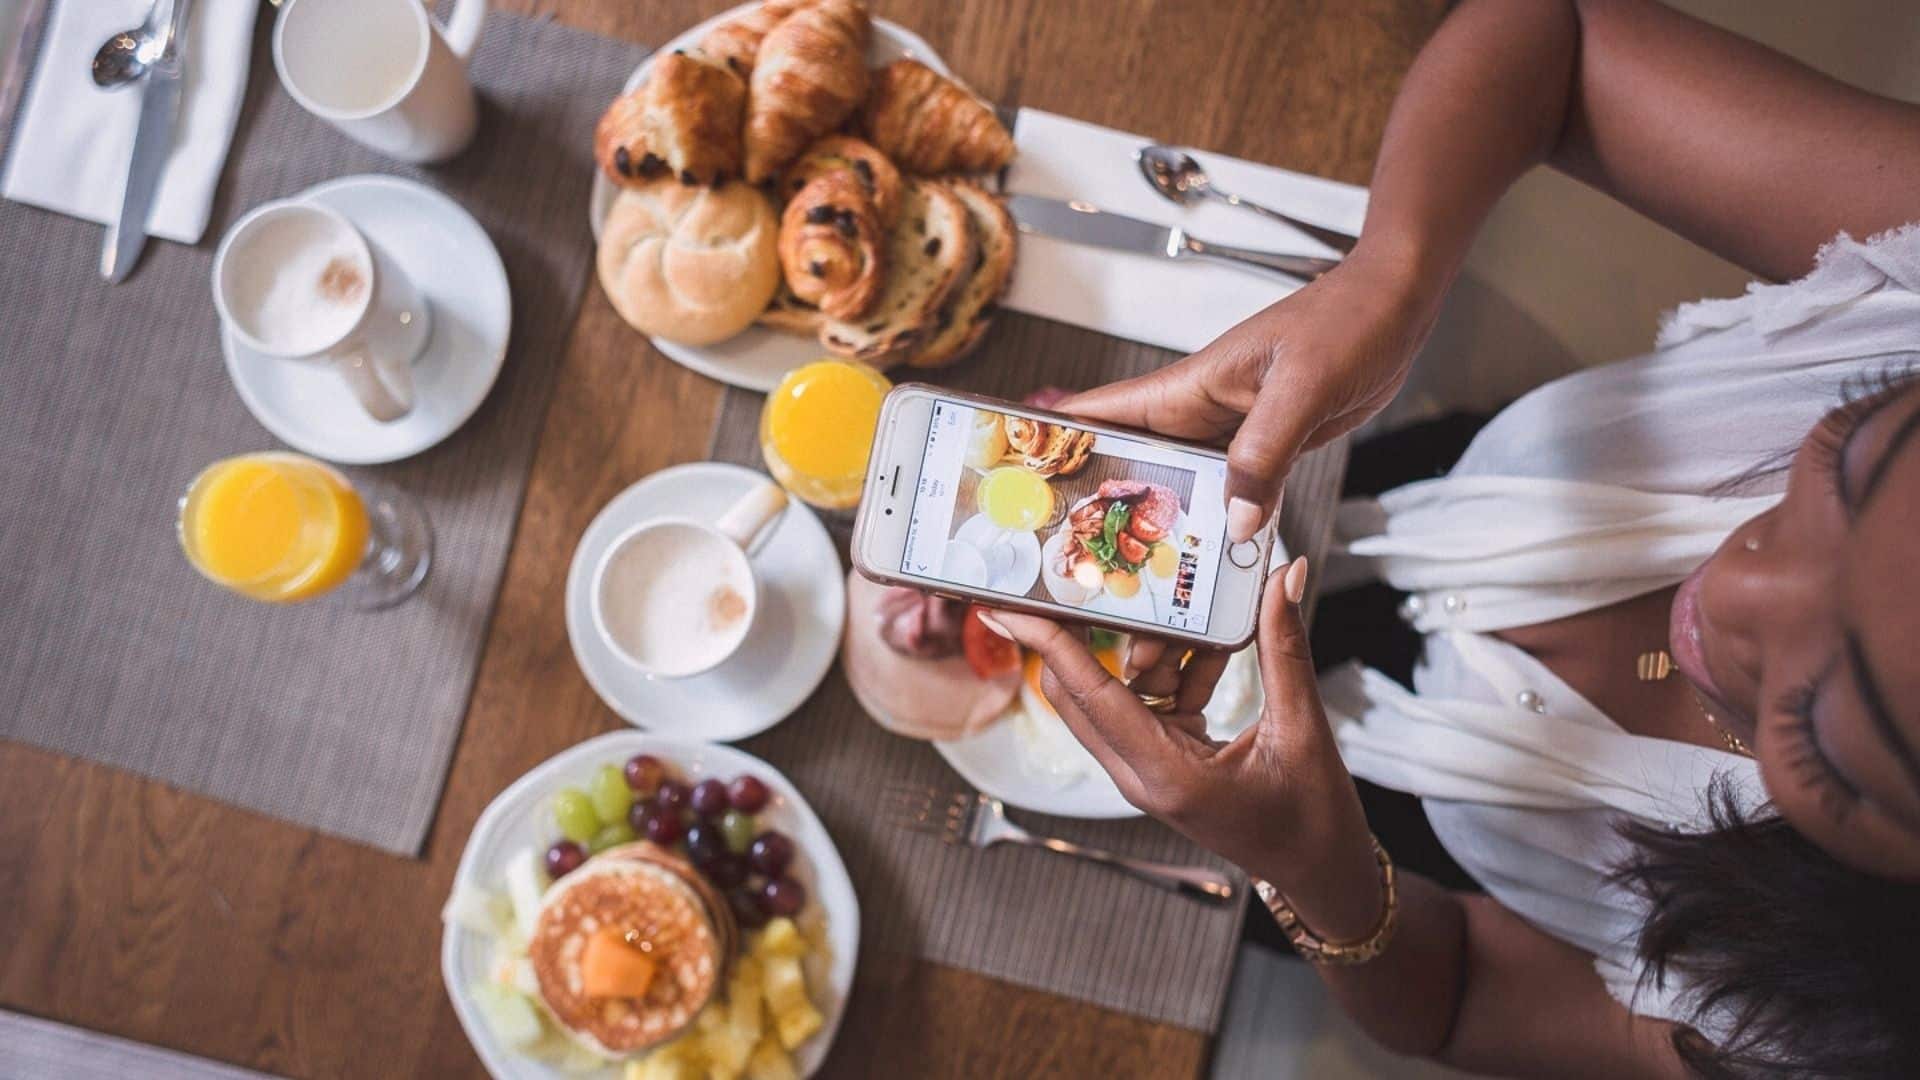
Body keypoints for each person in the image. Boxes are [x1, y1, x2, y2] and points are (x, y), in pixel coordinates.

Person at [978, 1, 1920, 1076]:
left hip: (1375, 843)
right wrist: (1393, 272)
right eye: (1847, 463)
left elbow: (1461, 995)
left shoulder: (1831, 1042)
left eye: (1824, 719)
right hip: (1417, 497)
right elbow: (1552, 41)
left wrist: (1316, 872)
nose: (1733, 586)